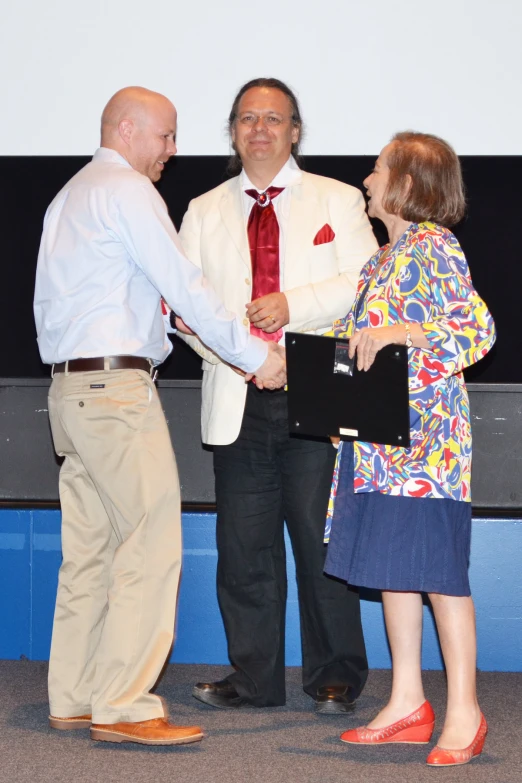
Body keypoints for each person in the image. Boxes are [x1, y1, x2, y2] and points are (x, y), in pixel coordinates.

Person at [33, 86, 285, 746]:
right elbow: (186, 286)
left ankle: (75, 693)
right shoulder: (128, 193)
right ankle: (122, 703)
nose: (174, 149)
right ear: (125, 128)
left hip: (69, 393)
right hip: (116, 394)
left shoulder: (68, 198)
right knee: (149, 542)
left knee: (91, 551)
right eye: (165, 135)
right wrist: (256, 355)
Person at [176, 77, 377, 713]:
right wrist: (250, 357)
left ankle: (334, 676)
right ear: (233, 131)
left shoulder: (338, 200)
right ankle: (254, 679)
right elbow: (186, 310)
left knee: (323, 544)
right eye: (246, 118)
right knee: (243, 549)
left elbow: (366, 283)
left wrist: (293, 308)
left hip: (318, 390)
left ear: (295, 131)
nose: (259, 128)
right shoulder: (203, 209)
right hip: (238, 394)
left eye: (273, 118)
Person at [324, 132, 496, 766]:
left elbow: (477, 329)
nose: (367, 179)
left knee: (440, 580)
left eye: (376, 169)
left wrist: (404, 330)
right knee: (395, 573)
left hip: (426, 455)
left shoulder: (434, 245)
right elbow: (359, 344)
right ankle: (406, 703)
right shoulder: (380, 260)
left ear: (404, 184)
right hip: (376, 447)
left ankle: (466, 713)